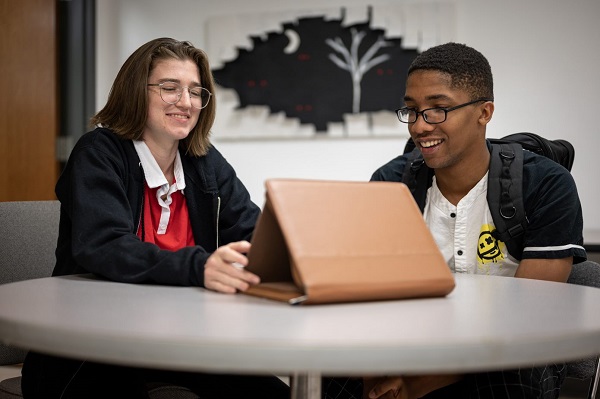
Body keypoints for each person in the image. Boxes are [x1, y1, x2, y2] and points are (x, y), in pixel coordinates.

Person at [21, 37, 289, 399]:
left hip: (181, 341)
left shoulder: (204, 160)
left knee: (272, 394)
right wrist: (201, 266)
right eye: (169, 88)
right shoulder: (98, 152)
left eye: (196, 92)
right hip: (92, 346)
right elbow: (105, 246)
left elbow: (254, 234)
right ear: (136, 92)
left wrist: (288, 255)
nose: (186, 102)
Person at [323, 43, 586, 399]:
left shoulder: (546, 183)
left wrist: (425, 379)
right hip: (414, 344)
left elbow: (531, 316)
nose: (418, 126)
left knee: (506, 381)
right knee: (334, 376)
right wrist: (378, 372)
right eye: (412, 110)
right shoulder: (391, 183)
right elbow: (372, 301)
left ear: (484, 112)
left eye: (438, 109)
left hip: (515, 351)